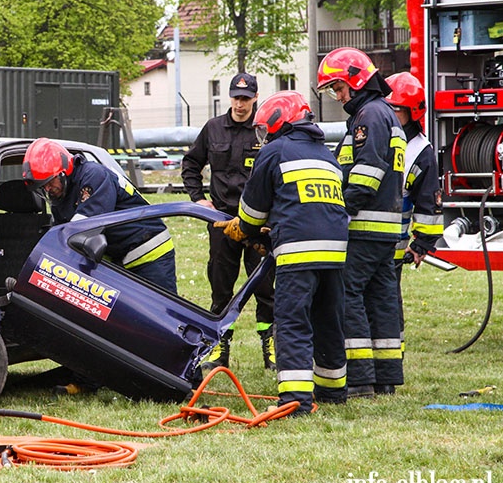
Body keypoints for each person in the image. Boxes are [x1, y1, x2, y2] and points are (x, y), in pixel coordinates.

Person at [215, 91, 349, 415]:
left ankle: (295, 401)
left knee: (292, 322)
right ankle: (333, 391)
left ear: (279, 122)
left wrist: (243, 229)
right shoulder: (326, 155)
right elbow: (310, 206)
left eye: (265, 129)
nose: (263, 136)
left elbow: (252, 207)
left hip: (298, 254)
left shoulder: (275, 152)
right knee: (328, 321)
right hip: (335, 252)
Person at [317, 47, 406, 398]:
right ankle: (386, 377)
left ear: (355, 80)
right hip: (386, 229)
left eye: (339, 88)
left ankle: (359, 379)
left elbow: (367, 174)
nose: (339, 97)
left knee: (349, 294)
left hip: (365, 226)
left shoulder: (368, 115)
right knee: (381, 297)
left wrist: (341, 209)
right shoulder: (387, 114)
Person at [181, 72, 276, 371]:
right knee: (221, 288)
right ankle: (217, 347)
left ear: (255, 99)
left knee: (264, 287)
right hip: (221, 221)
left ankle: (271, 346)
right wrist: (199, 199)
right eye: (236, 97)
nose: (240, 104)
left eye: (246, 99)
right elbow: (191, 164)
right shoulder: (213, 128)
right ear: (229, 97)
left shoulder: (264, 131)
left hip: (258, 223)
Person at [22, 137, 177, 293]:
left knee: (161, 312)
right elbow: (61, 235)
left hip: (149, 252)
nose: (48, 189)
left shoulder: (94, 176)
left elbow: (83, 229)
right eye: (43, 186)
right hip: (117, 259)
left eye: (50, 182)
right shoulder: (61, 195)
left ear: (64, 172)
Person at [386, 72, 443, 358]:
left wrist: (420, 244)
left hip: (393, 246)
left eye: (397, 108)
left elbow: (428, 203)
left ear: (412, 111)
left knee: (388, 302)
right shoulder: (375, 136)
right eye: (389, 107)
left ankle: (393, 356)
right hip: (361, 240)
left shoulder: (420, 151)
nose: (392, 113)